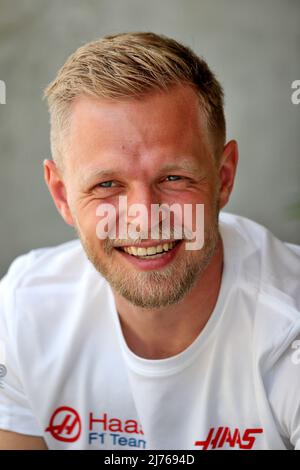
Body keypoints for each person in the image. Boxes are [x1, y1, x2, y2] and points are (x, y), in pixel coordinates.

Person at [0, 32, 299, 451]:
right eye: (107, 184)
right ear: (63, 195)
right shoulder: (24, 310)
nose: (143, 218)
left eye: (173, 178)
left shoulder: (290, 327)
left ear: (224, 178)